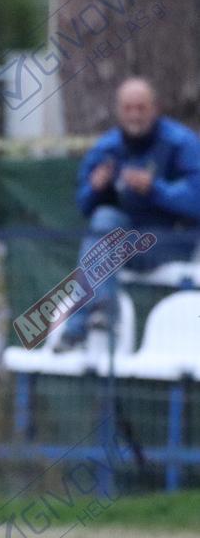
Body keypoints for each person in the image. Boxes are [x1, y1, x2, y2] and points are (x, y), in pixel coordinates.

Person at [57, 77, 200, 351]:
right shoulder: (107, 147)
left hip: (172, 238)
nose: (135, 115)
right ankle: (102, 310)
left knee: (100, 248)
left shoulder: (180, 142)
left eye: (141, 108)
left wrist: (154, 188)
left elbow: (196, 199)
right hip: (121, 242)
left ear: (155, 108)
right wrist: (95, 188)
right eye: (128, 108)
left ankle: (76, 328)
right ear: (119, 111)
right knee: (103, 221)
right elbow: (83, 204)